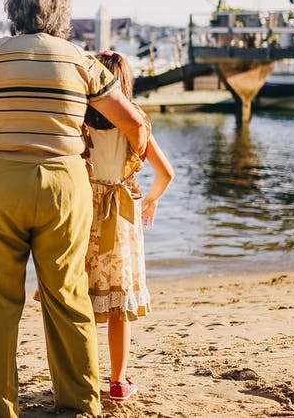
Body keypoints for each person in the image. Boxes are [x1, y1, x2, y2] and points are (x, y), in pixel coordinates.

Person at [0, 0, 151, 418]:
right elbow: (134, 123)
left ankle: (3, 406)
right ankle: (81, 403)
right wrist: (131, 166)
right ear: (62, 15)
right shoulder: (83, 62)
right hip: (66, 187)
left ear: (15, 11)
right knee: (68, 295)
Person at [82, 50, 174, 401]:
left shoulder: (80, 122)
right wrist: (150, 200)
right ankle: (118, 382)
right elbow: (166, 173)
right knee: (119, 309)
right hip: (122, 218)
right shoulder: (136, 124)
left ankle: (85, 377)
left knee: (84, 302)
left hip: (87, 213)